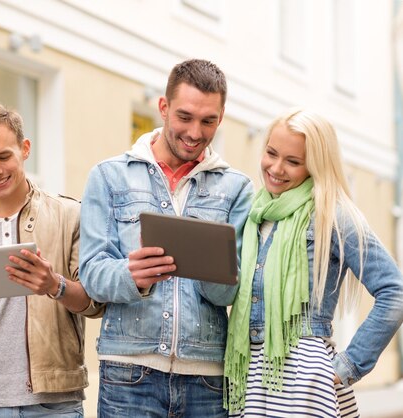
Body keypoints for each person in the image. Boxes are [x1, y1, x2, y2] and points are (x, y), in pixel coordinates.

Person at [79, 58, 254, 417]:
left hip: (206, 379)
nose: (195, 132)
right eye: (185, 117)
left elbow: (230, 292)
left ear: (221, 117)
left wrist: (209, 266)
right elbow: (92, 275)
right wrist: (131, 277)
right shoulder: (109, 177)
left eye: (208, 121)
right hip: (128, 374)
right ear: (163, 107)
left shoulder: (236, 188)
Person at [224, 109, 403, 417]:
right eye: (271, 153)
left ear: (315, 165)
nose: (276, 168)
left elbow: (394, 292)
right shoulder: (254, 213)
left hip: (302, 378)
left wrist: (345, 367)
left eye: (293, 161)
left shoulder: (332, 214)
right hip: (250, 374)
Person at [0, 104, 103, 418]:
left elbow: (95, 303)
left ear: (25, 149)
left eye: (3, 157)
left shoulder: (70, 216)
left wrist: (55, 285)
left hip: (54, 405)